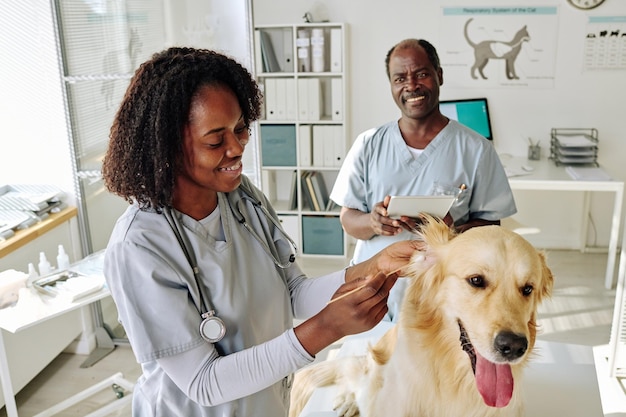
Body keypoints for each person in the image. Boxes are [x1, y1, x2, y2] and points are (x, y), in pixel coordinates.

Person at [101, 47, 419, 417]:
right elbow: (205, 383)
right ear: (167, 145)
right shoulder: (139, 247)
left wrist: (375, 266)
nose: (236, 149)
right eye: (215, 140)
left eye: (240, 129)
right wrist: (328, 327)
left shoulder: (241, 197)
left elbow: (294, 293)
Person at [329, 39, 517, 321]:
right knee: (369, 362)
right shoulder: (368, 144)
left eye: (421, 74)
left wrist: (453, 230)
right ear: (391, 85)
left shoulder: (477, 150)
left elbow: (492, 228)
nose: (411, 85)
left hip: (442, 293)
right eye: (400, 78)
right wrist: (372, 221)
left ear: (439, 75)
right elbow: (348, 220)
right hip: (374, 289)